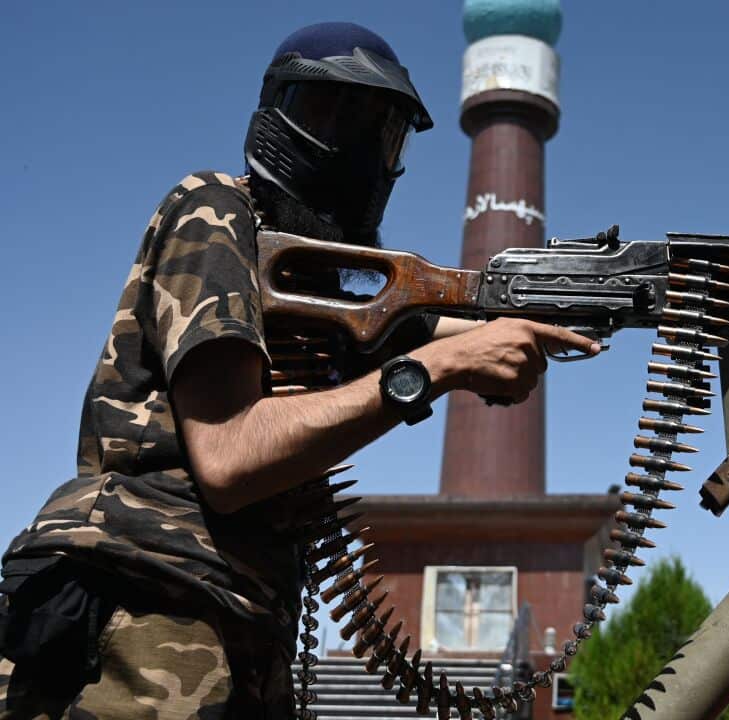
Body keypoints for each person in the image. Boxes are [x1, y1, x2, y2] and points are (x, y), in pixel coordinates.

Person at [0, 22, 597, 718]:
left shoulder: (323, 293)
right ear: (292, 116)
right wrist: (436, 368)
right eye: (347, 120)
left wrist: (658, 294)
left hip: (240, 617)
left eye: (387, 134)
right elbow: (229, 459)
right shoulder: (216, 211)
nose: (368, 155)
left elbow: (476, 326)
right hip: (149, 603)